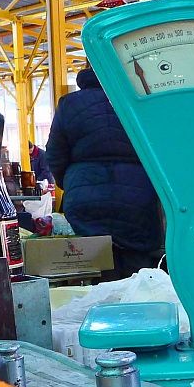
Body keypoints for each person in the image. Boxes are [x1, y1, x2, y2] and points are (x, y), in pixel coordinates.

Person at [45, 67, 164, 279]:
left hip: (84, 201)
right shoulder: (141, 100)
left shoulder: (69, 103)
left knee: (89, 270)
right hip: (138, 200)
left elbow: (54, 156)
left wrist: (75, 184)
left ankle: (93, 306)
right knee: (137, 274)